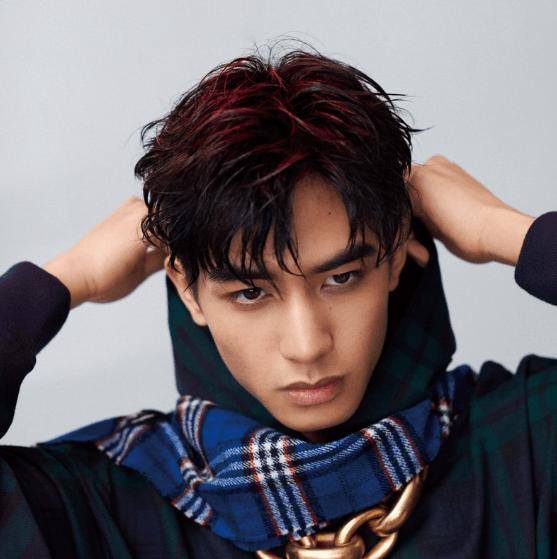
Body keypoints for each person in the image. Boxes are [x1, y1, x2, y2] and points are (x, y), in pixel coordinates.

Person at [1, 47, 556, 559]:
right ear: (188, 289)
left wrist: (505, 230)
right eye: (250, 292)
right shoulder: (99, 503)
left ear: (394, 260)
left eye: (341, 278)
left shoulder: (526, 445)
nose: (307, 346)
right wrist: (61, 279)